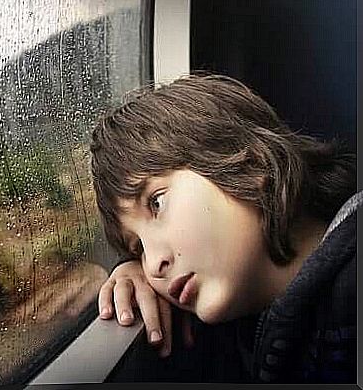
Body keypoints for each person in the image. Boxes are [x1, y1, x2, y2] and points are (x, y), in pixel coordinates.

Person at [89, 74, 358, 383]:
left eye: (156, 204)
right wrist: (130, 271)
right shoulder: (233, 330)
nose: (153, 264)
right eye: (138, 247)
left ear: (248, 160)